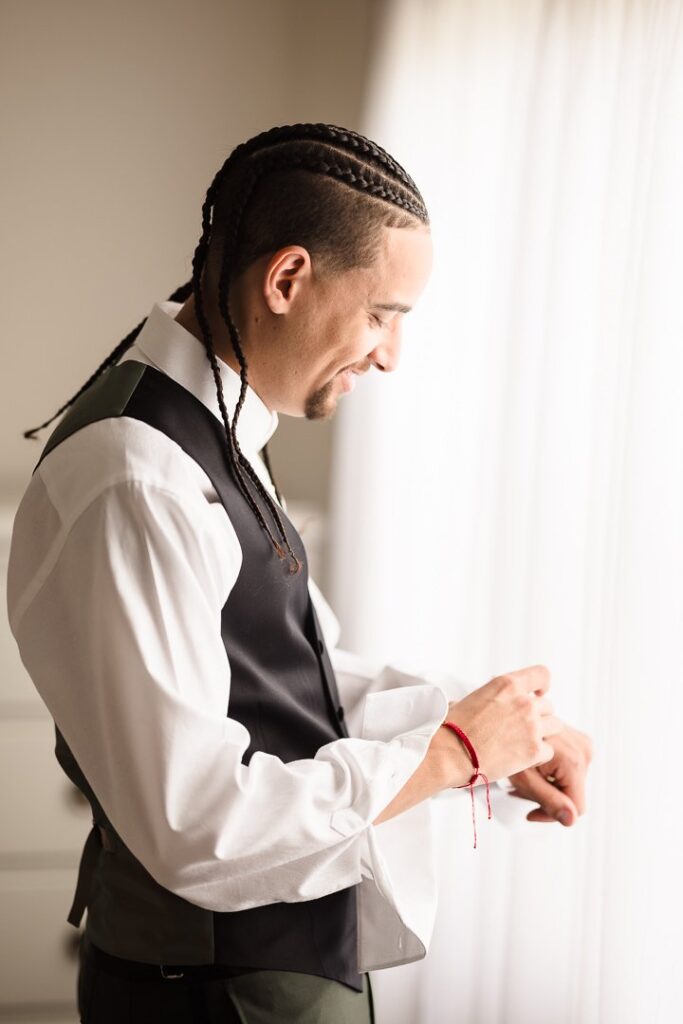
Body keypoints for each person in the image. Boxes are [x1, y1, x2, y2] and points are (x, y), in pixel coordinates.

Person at [7, 123, 592, 1024]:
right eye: (382, 314)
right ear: (286, 280)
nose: (391, 354)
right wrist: (450, 753)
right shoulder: (138, 477)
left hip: (271, 975)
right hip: (213, 996)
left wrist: (489, 728)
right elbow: (199, 823)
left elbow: (292, 676)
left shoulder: (218, 428)